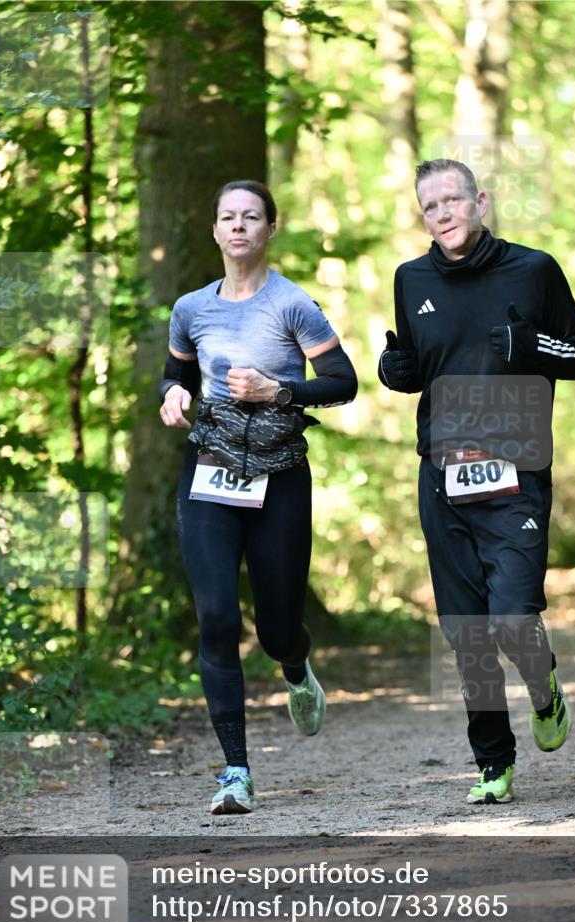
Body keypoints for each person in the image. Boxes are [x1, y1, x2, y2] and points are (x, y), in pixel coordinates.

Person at [378, 158, 575, 804]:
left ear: (481, 201)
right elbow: (419, 365)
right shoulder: (410, 278)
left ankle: (542, 684)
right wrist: (396, 370)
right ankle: (492, 764)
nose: (442, 214)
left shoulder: (533, 271)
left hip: (516, 472)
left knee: (510, 619)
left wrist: (529, 346)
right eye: (429, 207)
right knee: (466, 628)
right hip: (442, 472)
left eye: (453, 200)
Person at [159, 180, 357, 815]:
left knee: (274, 627)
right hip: (210, 473)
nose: (239, 227)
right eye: (228, 217)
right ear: (215, 231)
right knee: (216, 617)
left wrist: (279, 391)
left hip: (279, 476)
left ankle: (294, 664)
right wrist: (172, 394)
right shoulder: (190, 308)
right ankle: (236, 772)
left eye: (251, 217)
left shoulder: (295, 305)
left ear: (271, 228)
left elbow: (343, 382)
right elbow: (177, 373)